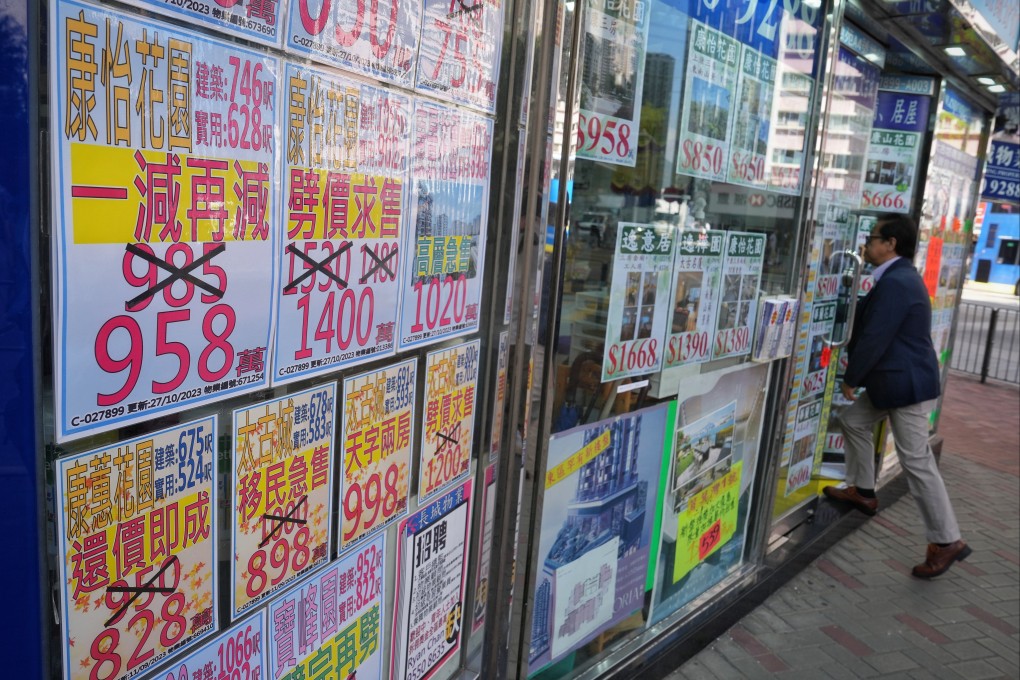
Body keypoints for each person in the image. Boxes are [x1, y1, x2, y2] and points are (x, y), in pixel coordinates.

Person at [823, 214, 970, 579]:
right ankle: (862, 489)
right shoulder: (895, 277)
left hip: (904, 386)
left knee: (916, 460)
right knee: (853, 420)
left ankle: (946, 540)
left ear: (890, 244)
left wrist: (851, 378)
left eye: (872, 238)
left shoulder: (898, 282)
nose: (866, 245)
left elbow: (877, 335)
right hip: (895, 381)